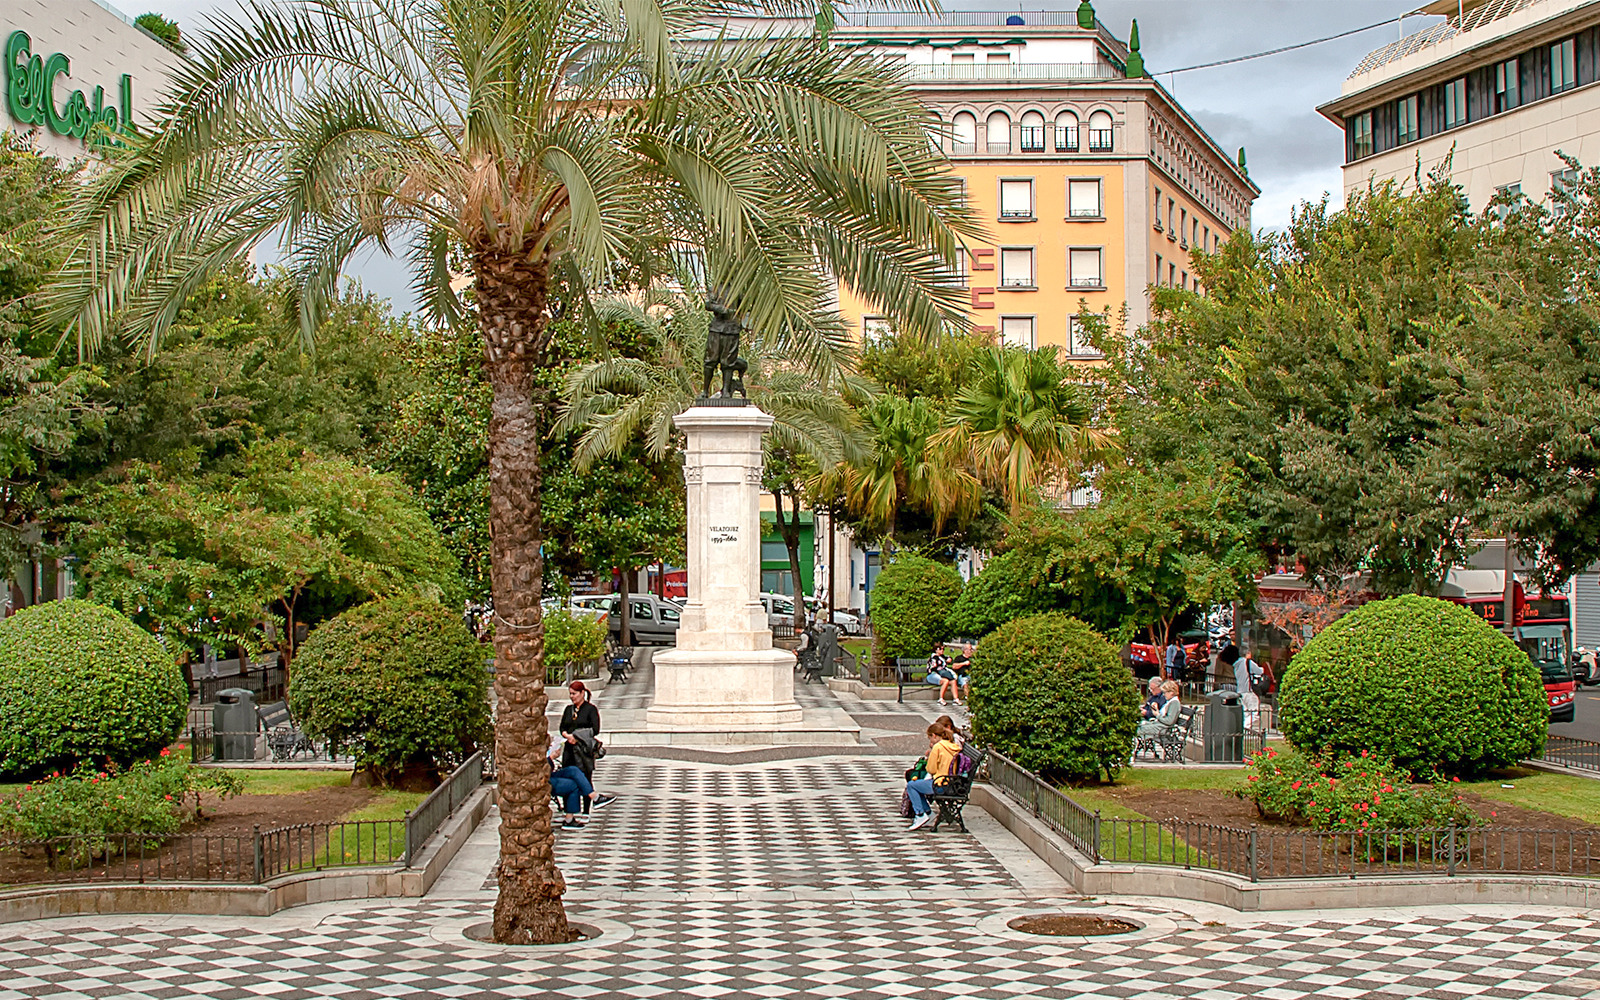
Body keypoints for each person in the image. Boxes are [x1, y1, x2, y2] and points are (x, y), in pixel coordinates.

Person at [904, 722, 962, 831]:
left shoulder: (938, 747)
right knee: (916, 786)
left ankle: (920, 814)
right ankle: (928, 813)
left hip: (940, 783)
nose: (930, 741)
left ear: (934, 736)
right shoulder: (951, 745)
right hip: (951, 783)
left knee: (911, 786)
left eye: (930, 738)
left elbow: (931, 769)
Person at [548, 736, 615, 829]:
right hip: (542, 779)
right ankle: (569, 820)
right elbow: (542, 770)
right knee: (573, 785)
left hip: (550, 775)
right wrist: (551, 757)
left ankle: (594, 797)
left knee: (573, 770)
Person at [559, 680, 602, 783]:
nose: (572, 696)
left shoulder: (591, 709)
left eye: (574, 694)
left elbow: (595, 729)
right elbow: (562, 727)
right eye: (570, 694)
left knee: (585, 780)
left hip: (583, 750)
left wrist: (577, 737)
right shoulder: (569, 709)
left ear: (582, 693)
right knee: (568, 779)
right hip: (569, 749)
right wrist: (568, 736)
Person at [1134, 680, 1182, 750]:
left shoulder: (1174, 703)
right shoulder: (1170, 701)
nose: (1164, 695)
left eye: (1165, 692)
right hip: (1159, 726)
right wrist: (1155, 710)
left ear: (1171, 692)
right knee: (1139, 725)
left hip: (1163, 729)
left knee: (1138, 728)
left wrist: (1157, 715)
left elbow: (1169, 721)